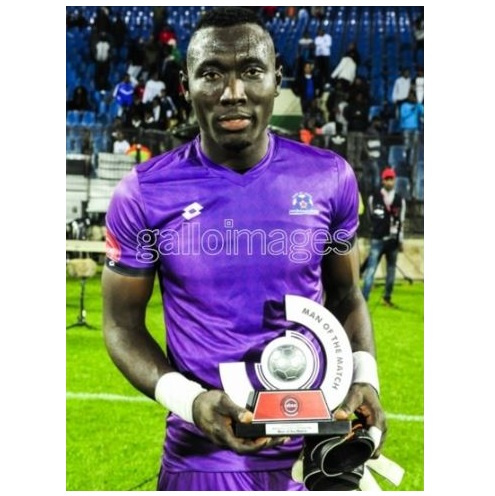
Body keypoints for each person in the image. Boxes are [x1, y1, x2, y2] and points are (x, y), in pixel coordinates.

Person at [102, 7, 386, 492]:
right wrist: (190, 401)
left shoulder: (329, 177)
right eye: (212, 74)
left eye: (251, 71)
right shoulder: (145, 193)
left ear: (277, 79)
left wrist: (365, 375)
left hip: (316, 456)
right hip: (201, 462)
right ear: (185, 86)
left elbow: (346, 297)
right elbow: (121, 325)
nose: (233, 93)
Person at [361, 167, 406, 306]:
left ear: (394, 180)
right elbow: (369, 216)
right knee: (371, 270)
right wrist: (376, 229)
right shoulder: (373, 197)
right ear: (382, 180)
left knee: (391, 271)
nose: (389, 181)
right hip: (378, 239)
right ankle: (363, 300)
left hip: (393, 240)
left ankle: (387, 298)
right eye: (387, 179)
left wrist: (401, 240)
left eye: (391, 179)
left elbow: (402, 221)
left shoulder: (400, 200)